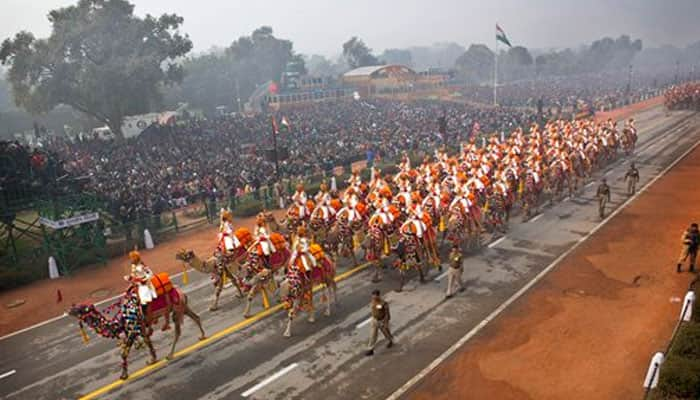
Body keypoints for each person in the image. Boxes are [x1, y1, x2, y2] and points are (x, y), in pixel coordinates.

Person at [365, 289, 394, 356]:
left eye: (375, 296)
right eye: (373, 296)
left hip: (382, 320)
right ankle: (370, 349)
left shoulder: (383, 303)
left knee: (386, 332)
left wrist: (386, 322)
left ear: (378, 296)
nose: (373, 297)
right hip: (374, 320)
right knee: (373, 335)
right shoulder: (373, 301)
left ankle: (390, 340)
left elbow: (387, 313)